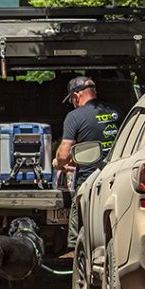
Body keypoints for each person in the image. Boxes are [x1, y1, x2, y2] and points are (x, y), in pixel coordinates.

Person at [52, 76, 120, 250]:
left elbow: (64, 154)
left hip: (89, 183)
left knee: (80, 236)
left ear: (76, 96)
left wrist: (58, 163)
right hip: (117, 180)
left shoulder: (74, 117)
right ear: (94, 91)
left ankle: (81, 265)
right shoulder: (116, 112)